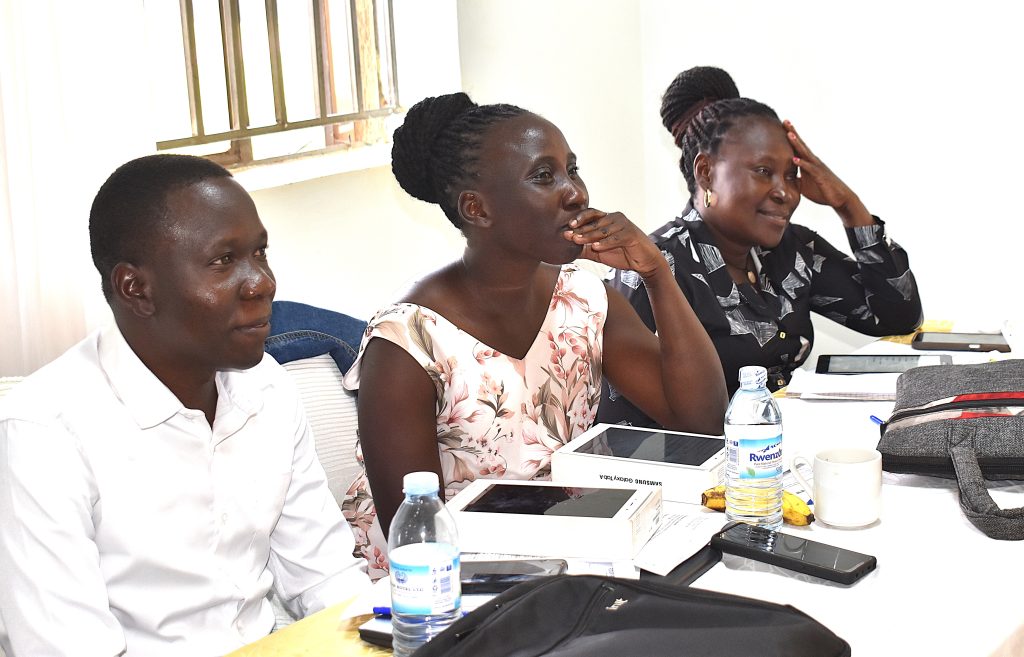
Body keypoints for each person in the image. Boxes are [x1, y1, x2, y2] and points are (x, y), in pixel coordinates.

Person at [340, 92, 727, 577]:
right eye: (544, 176)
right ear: (477, 209)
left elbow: (701, 422)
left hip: (563, 549)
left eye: (572, 170)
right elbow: (418, 537)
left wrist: (656, 274)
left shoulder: (583, 297)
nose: (576, 193)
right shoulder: (407, 342)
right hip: (439, 586)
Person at [0, 154, 370, 657]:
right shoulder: (43, 433)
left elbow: (325, 579)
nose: (262, 282)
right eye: (223, 261)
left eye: (260, 253)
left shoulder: (266, 387)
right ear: (137, 289)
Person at [598, 66, 923, 426]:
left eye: (790, 175)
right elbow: (626, 425)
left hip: (786, 456)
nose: (785, 192)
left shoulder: (793, 250)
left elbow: (898, 316)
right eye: (763, 171)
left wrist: (847, 205)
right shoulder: (652, 268)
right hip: (710, 473)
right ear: (706, 173)